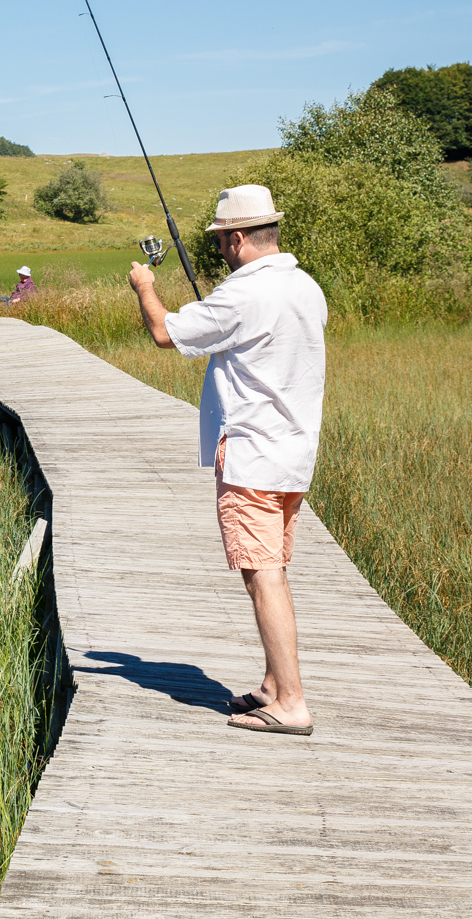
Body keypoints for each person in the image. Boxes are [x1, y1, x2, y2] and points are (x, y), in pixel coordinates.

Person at [126, 184, 327, 736]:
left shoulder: (243, 295)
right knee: (270, 570)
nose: (219, 250)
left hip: (252, 456)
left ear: (237, 238)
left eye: (220, 242)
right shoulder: (306, 287)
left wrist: (145, 284)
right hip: (292, 453)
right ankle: (271, 685)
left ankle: (291, 703)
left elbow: (165, 333)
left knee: (262, 575)